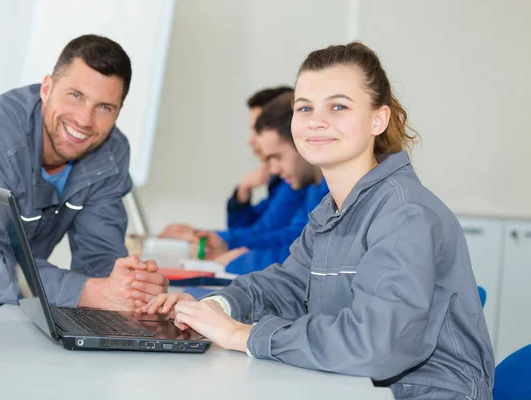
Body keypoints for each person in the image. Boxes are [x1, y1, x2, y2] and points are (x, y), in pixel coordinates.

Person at [140, 42, 494, 399]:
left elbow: (375, 346)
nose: (316, 121)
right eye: (304, 107)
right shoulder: (333, 210)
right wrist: (216, 307)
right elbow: (288, 284)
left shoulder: (405, 213)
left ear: (378, 119)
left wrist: (239, 335)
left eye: (338, 106)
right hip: (356, 387)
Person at [0, 34, 168, 333]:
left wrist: (128, 288)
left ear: (118, 112)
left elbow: (99, 253)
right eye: (76, 95)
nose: (84, 119)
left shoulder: (111, 153)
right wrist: (91, 292)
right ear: (47, 88)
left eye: (104, 107)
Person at [195, 92, 327, 269]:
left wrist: (243, 259)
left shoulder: (333, 188)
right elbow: (292, 237)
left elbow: (313, 258)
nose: (273, 169)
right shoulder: (315, 186)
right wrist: (227, 244)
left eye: (277, 157)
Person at [159, 86, 307, 244]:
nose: (250, 140)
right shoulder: (282, 180)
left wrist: (203, 237)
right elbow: (249, 228)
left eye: (258, 131)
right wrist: (242, 192)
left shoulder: (298, 181)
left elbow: (268, 234)